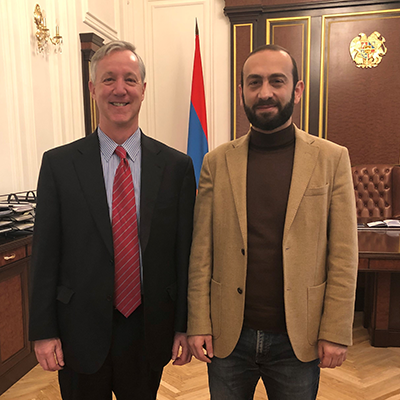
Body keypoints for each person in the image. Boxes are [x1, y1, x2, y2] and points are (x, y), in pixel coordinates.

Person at [187, 44, 358, 400]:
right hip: (228, 338)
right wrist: (198, 323)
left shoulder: (332, 158)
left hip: (299, 339)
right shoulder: (216, 163)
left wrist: (336, 330)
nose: (264, 92)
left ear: (297, 89)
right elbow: (201, 252)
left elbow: (343, 255)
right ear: (242, 93)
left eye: (276, 81)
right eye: (254, 83)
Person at [29, 40, 196, 400]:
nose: (119, 89)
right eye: (108, 79)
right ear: (92, 89)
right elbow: (45, 254)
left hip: (149, 328)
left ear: (143, 89)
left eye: (129, 79)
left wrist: (184, 325)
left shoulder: (176, 167)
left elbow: (184, 255)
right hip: (78, 331)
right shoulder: (59, 165)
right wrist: (43, 331)